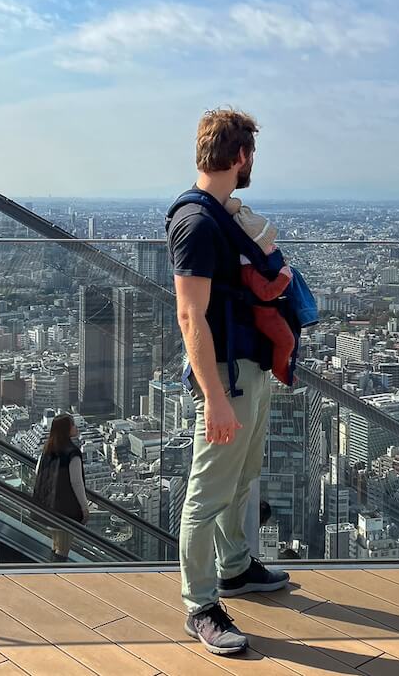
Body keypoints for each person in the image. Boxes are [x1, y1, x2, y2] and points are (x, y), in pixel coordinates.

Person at [167, 108, 289, 657]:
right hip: (225, 374)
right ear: (240, 156)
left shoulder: (221, 214)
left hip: (248, 365)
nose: (252, 165)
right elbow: (190, 315)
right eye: (251, 156)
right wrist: (214, 395)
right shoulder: (195, 222)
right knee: (207, 492)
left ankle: (235, 568)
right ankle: (199, 603)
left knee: (241, 476)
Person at [223, 196, 295, 386]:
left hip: (267, 312)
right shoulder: (250, 270)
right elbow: (266, 293)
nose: (273, 247)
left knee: (285, 338)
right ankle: (279, 368)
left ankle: (278, 363)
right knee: (287, 341)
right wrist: (284, 278)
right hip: (265, 314)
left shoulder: (254, 265)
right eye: (268, 245)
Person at [32, 413, 89, 562]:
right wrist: (84, 507)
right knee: (63, 549)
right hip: (66, 509)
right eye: (73, 425)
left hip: (47, 505)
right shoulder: (72, 453)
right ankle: (56, 575)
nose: (76, 427)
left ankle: (52, 571)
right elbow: (76, 482)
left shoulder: (47, 449)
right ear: (66, 429)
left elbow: (39, 472)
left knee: (56, 544)